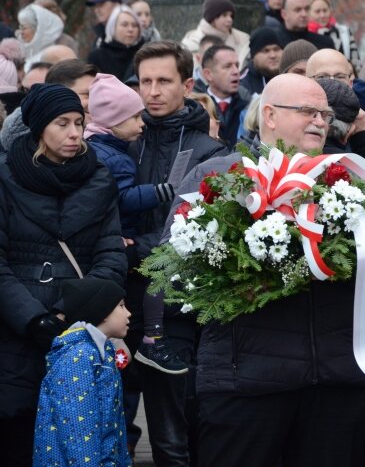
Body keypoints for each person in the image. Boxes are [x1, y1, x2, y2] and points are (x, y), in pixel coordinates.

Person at [167, 74, 365, 466]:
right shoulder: (219, 177)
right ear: (270, 115)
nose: (319, 121)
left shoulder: (347, 179)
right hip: (245, 383)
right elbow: (175, 265)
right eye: (307, 112)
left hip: (330, 383)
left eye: (325, 114)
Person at [0, 83, 127, 466]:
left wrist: (69, 314)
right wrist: (34, 317)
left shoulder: (99, 178)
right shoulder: (5, 178)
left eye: (79, 122)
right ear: (39, 127)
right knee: (15, 435)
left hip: (79, 333)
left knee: (81, 441)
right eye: (62, 123)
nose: (74, 133)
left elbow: (110, 254)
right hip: (15, 333)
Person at [128, 40, 227, 465]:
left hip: (178, 307)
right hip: (122, 300)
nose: (152, 91)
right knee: (118, 425)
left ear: (187, 84)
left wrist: (134, 247)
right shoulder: (123, 140)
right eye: (145, 81)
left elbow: (198, 229)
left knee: (176, 434)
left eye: (163, 81)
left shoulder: (210, 152)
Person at [32, 278, 132, 467]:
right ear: (101, 311)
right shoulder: (78, 357)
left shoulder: (102, 352)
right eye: (121, 306)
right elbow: (77, 432)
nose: (128, 313)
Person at [84, 73, 176, 240]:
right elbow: (121, 197)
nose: (142, 122)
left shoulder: (97, 146)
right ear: (115, 120)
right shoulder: (114, 158)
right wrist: (156, 193)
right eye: (135, 117)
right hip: (120, 233)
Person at [306, 48, 365, 160]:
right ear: (307, 81)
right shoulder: (298, 125)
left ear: (350, 83)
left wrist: (363, 137)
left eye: (339, 77)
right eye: (322, 77)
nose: (333, 82)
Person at [181, 0, 250, 68]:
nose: (230, 20)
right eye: (224, 15)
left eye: (231, 16)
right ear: (212, 18)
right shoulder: (192, 42)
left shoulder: (242, 40)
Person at [201, 44, 249, 149]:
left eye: (237, 65)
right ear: (208, 74)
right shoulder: (196, 109)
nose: (236, 71)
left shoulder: (249, 108)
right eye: (227, 66)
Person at [88, 5, 144, 81]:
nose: (130, 29)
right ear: (113, 27)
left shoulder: (144, 54)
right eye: (125, 25)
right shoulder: (97, 56)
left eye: (134, 25)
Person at [308, 0, 360, 71]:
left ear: (330, 10)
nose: (322, 15)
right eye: (317, 12)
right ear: (309, 13)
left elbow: (355, 60)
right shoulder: (307, 35)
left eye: (325, 10)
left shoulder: (344, 32)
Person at [16, 3, 64, 72]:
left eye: (24, 28)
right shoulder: (21, 53)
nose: (21, 32)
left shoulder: (51, 57)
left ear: (38, 30)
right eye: (20, 27)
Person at [240, 27, 283, 95]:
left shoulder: (290, 75)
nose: (273, 55)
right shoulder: (243, 84)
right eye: (266, 51)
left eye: (276, 49)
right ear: (253, 57)